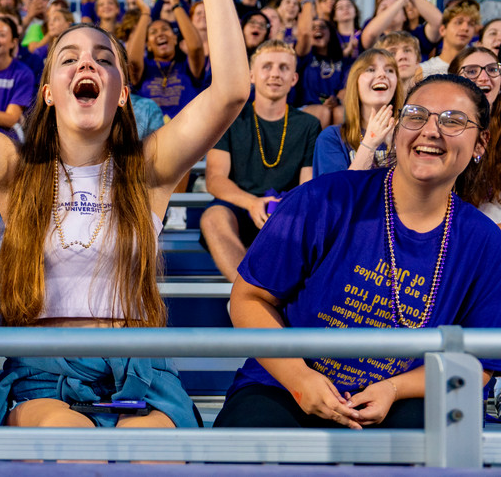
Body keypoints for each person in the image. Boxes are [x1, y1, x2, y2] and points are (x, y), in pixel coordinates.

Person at [0, 0, 249, 430]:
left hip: (141, 366)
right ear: (48, 92)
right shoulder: (15, 170)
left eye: (102, 59)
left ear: (122, 92)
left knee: (152, 457)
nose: (85, 63)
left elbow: (230, 92)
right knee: (68, 443)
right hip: (44, 369)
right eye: (68, 58)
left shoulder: (147, 170)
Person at [215, 74, 501, 430]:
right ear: (397, 128)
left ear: (480, 142)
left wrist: (394, 388)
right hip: (285, 383)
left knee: (431, 445)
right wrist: (299, 379)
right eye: (416, 115)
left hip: (405, 397)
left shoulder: (486, 241)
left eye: (452, 121)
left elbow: (478, 362)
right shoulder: (324, 198)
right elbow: (248, 298)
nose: (431, 130)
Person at [200, 40, 321, 282]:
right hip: (240, 206)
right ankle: (246, 291)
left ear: (294, 78)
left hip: (286, 208)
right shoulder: (231, 119)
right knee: (212, 217)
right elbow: (215, 180)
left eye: (284, 68)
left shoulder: (308, 124)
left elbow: (308, 185)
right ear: (251, 76)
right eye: (267, 66)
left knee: (310, 217)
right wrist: (253, 203)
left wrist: (283, 207)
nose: (275, 73)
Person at [313, 49, 405, 176]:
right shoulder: (331, 138)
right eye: (371, 69)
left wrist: (397, 147)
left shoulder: (409, 136)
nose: (382, 75)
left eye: (390, 70)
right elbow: (338, 192)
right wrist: (370, 144)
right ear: (355, 81)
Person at [418, 0, 478, 78]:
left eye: (471, 24)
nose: (465, 28)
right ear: (443, 30)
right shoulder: (424, 70)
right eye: (459, 22)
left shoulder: (479, 68)